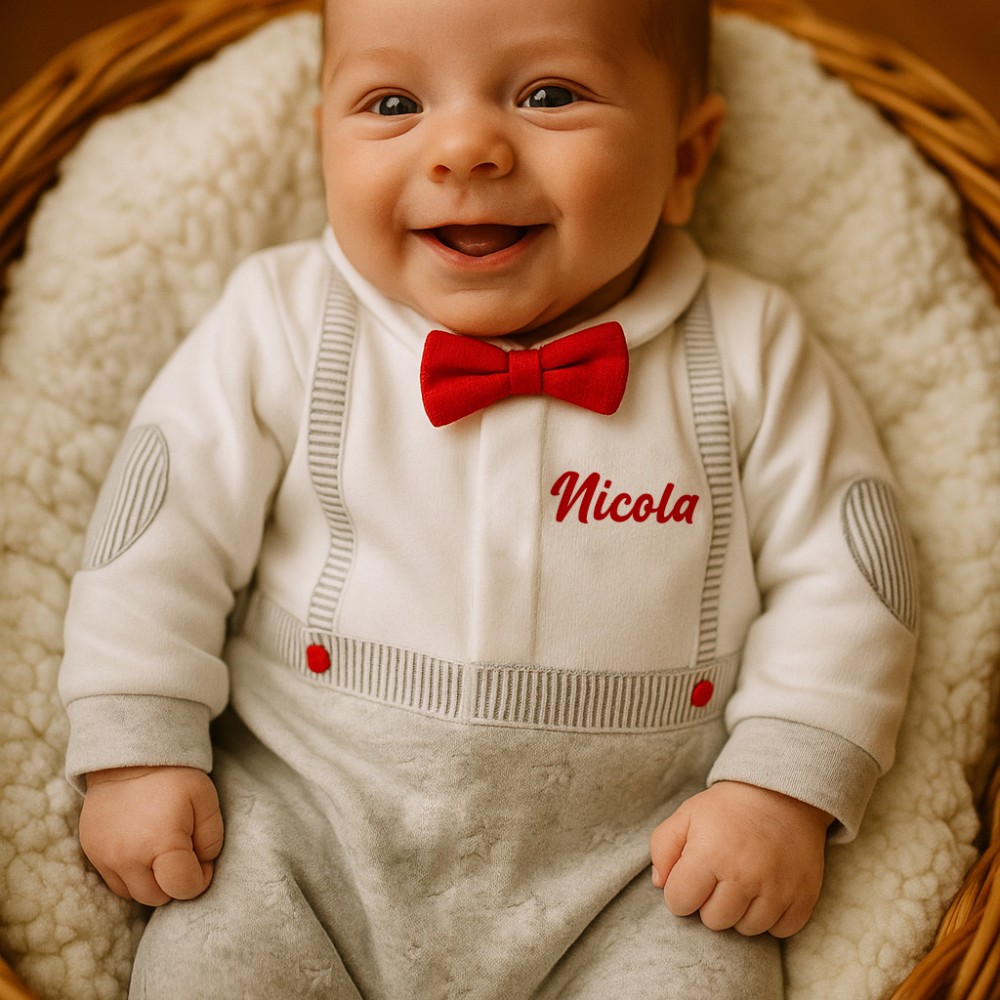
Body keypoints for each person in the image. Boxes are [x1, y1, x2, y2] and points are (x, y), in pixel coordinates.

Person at [59, 0, 918, 995]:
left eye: (548, 94)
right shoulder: (281, 322)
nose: (464, 147)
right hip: (304, 835)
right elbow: (157, 534)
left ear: (687, 158)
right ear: (321, 145)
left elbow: (852, 576)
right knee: (207, 964)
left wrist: (780, 790)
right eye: (392, 104)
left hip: (637, 873)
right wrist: (134, 744)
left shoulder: (752, 348)